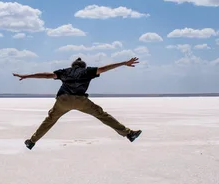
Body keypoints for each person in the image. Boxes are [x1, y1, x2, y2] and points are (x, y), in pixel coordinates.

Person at [12, 57, 142, 150]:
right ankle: (128, 134)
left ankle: (31, 142)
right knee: (103, 116)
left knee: (50, 120)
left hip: (63, 101)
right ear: (83, 66)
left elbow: (46, 76)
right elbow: (103, 69)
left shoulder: (64, 71)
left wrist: (27, 76)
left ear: (73, 65)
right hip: (81, 101)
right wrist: (123, 63)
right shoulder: (87, 71)